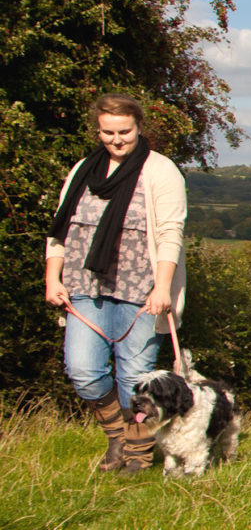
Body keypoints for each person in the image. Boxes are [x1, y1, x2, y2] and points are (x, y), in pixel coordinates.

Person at [44, 93, 187, 474]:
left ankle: (136, 457)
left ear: (139, 128)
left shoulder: (160, 171)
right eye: (108, 132)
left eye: (124, 131)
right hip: (85, 286)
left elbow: (171, 232)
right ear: (98, 130)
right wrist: (51, 277)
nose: (117, 139)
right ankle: (117, 437)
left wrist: (163, 287)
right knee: (83, 370)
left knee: (132, 376)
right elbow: (60, 229)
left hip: (142, 290)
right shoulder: (82, 170)